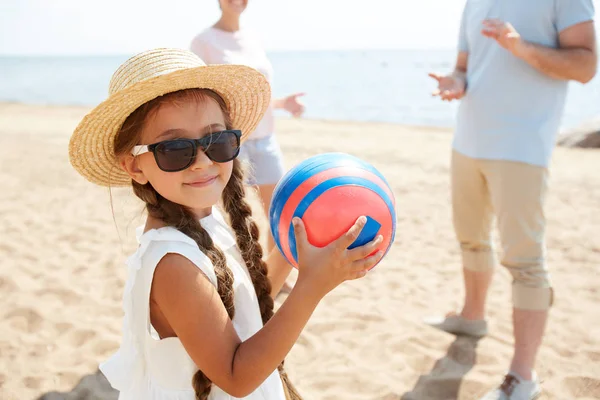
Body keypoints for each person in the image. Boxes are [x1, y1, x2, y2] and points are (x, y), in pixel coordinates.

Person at [68, 48, 383, 400]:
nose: (202, 161)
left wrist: (294, 251)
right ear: (135, 166)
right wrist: (312, 286)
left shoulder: (204, 222)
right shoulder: (174, 264)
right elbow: (235, 376)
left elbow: (247, 303)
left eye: (216, 141)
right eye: (174, 149)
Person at [426, 1, 596, 399]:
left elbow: (587, 66)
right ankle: (472, 317)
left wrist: (522, 48)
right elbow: (464, 67)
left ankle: (523, 376)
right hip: (467, 140)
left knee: (524, 261)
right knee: (470, 238)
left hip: (522, 147)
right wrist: (455, 81)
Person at [190, 0, 306, 256]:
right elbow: (200, 97)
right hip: (228, 143)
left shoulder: (253, 38)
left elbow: (254, 95)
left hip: (265, 138)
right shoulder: (203, 42)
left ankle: (275, 275)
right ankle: (242, 273)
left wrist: (282, 103)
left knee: (279, 211)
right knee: (234, 215)